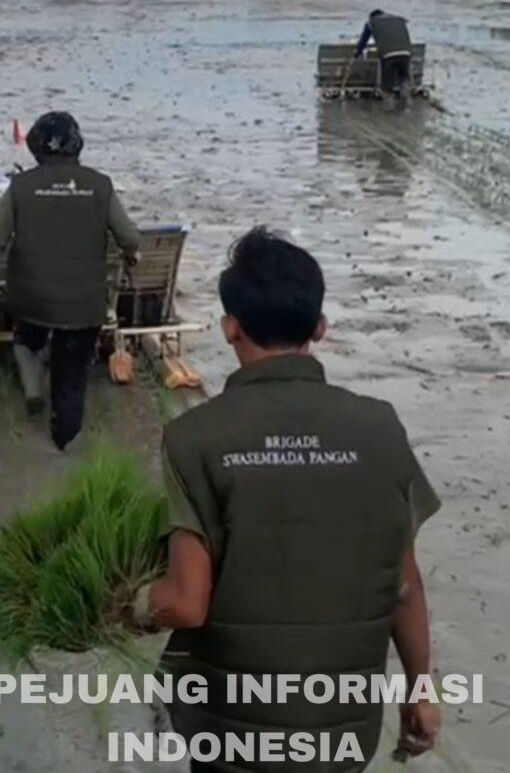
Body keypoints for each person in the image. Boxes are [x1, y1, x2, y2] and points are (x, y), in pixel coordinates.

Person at [130, 226, 441, 770]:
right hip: (341, 735)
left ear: (230, 328)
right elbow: (405, 586)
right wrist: (421, 690)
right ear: (318, 328)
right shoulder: (380, 428)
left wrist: (127, 605)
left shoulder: (194, 437)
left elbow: (185, 602)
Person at [0, 111, 141, 451]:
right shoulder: (101, 185)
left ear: (36, 147)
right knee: (72, 377)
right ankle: (65, 442)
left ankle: (33, 384)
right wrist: (129, 254)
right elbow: (130, 237)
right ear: (77, 144)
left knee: (26, 335)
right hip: (84, 306)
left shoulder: (20, 187)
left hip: (31, 300)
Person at [354, 8, 414, 97]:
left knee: (387, 83)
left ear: (372, 17)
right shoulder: (399, 20)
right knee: (403, 78)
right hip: (405, 53)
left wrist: (357, 53)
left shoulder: (371, 22)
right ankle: (405, 101)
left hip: (388, 55)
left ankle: (388, 106)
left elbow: (363, 41)